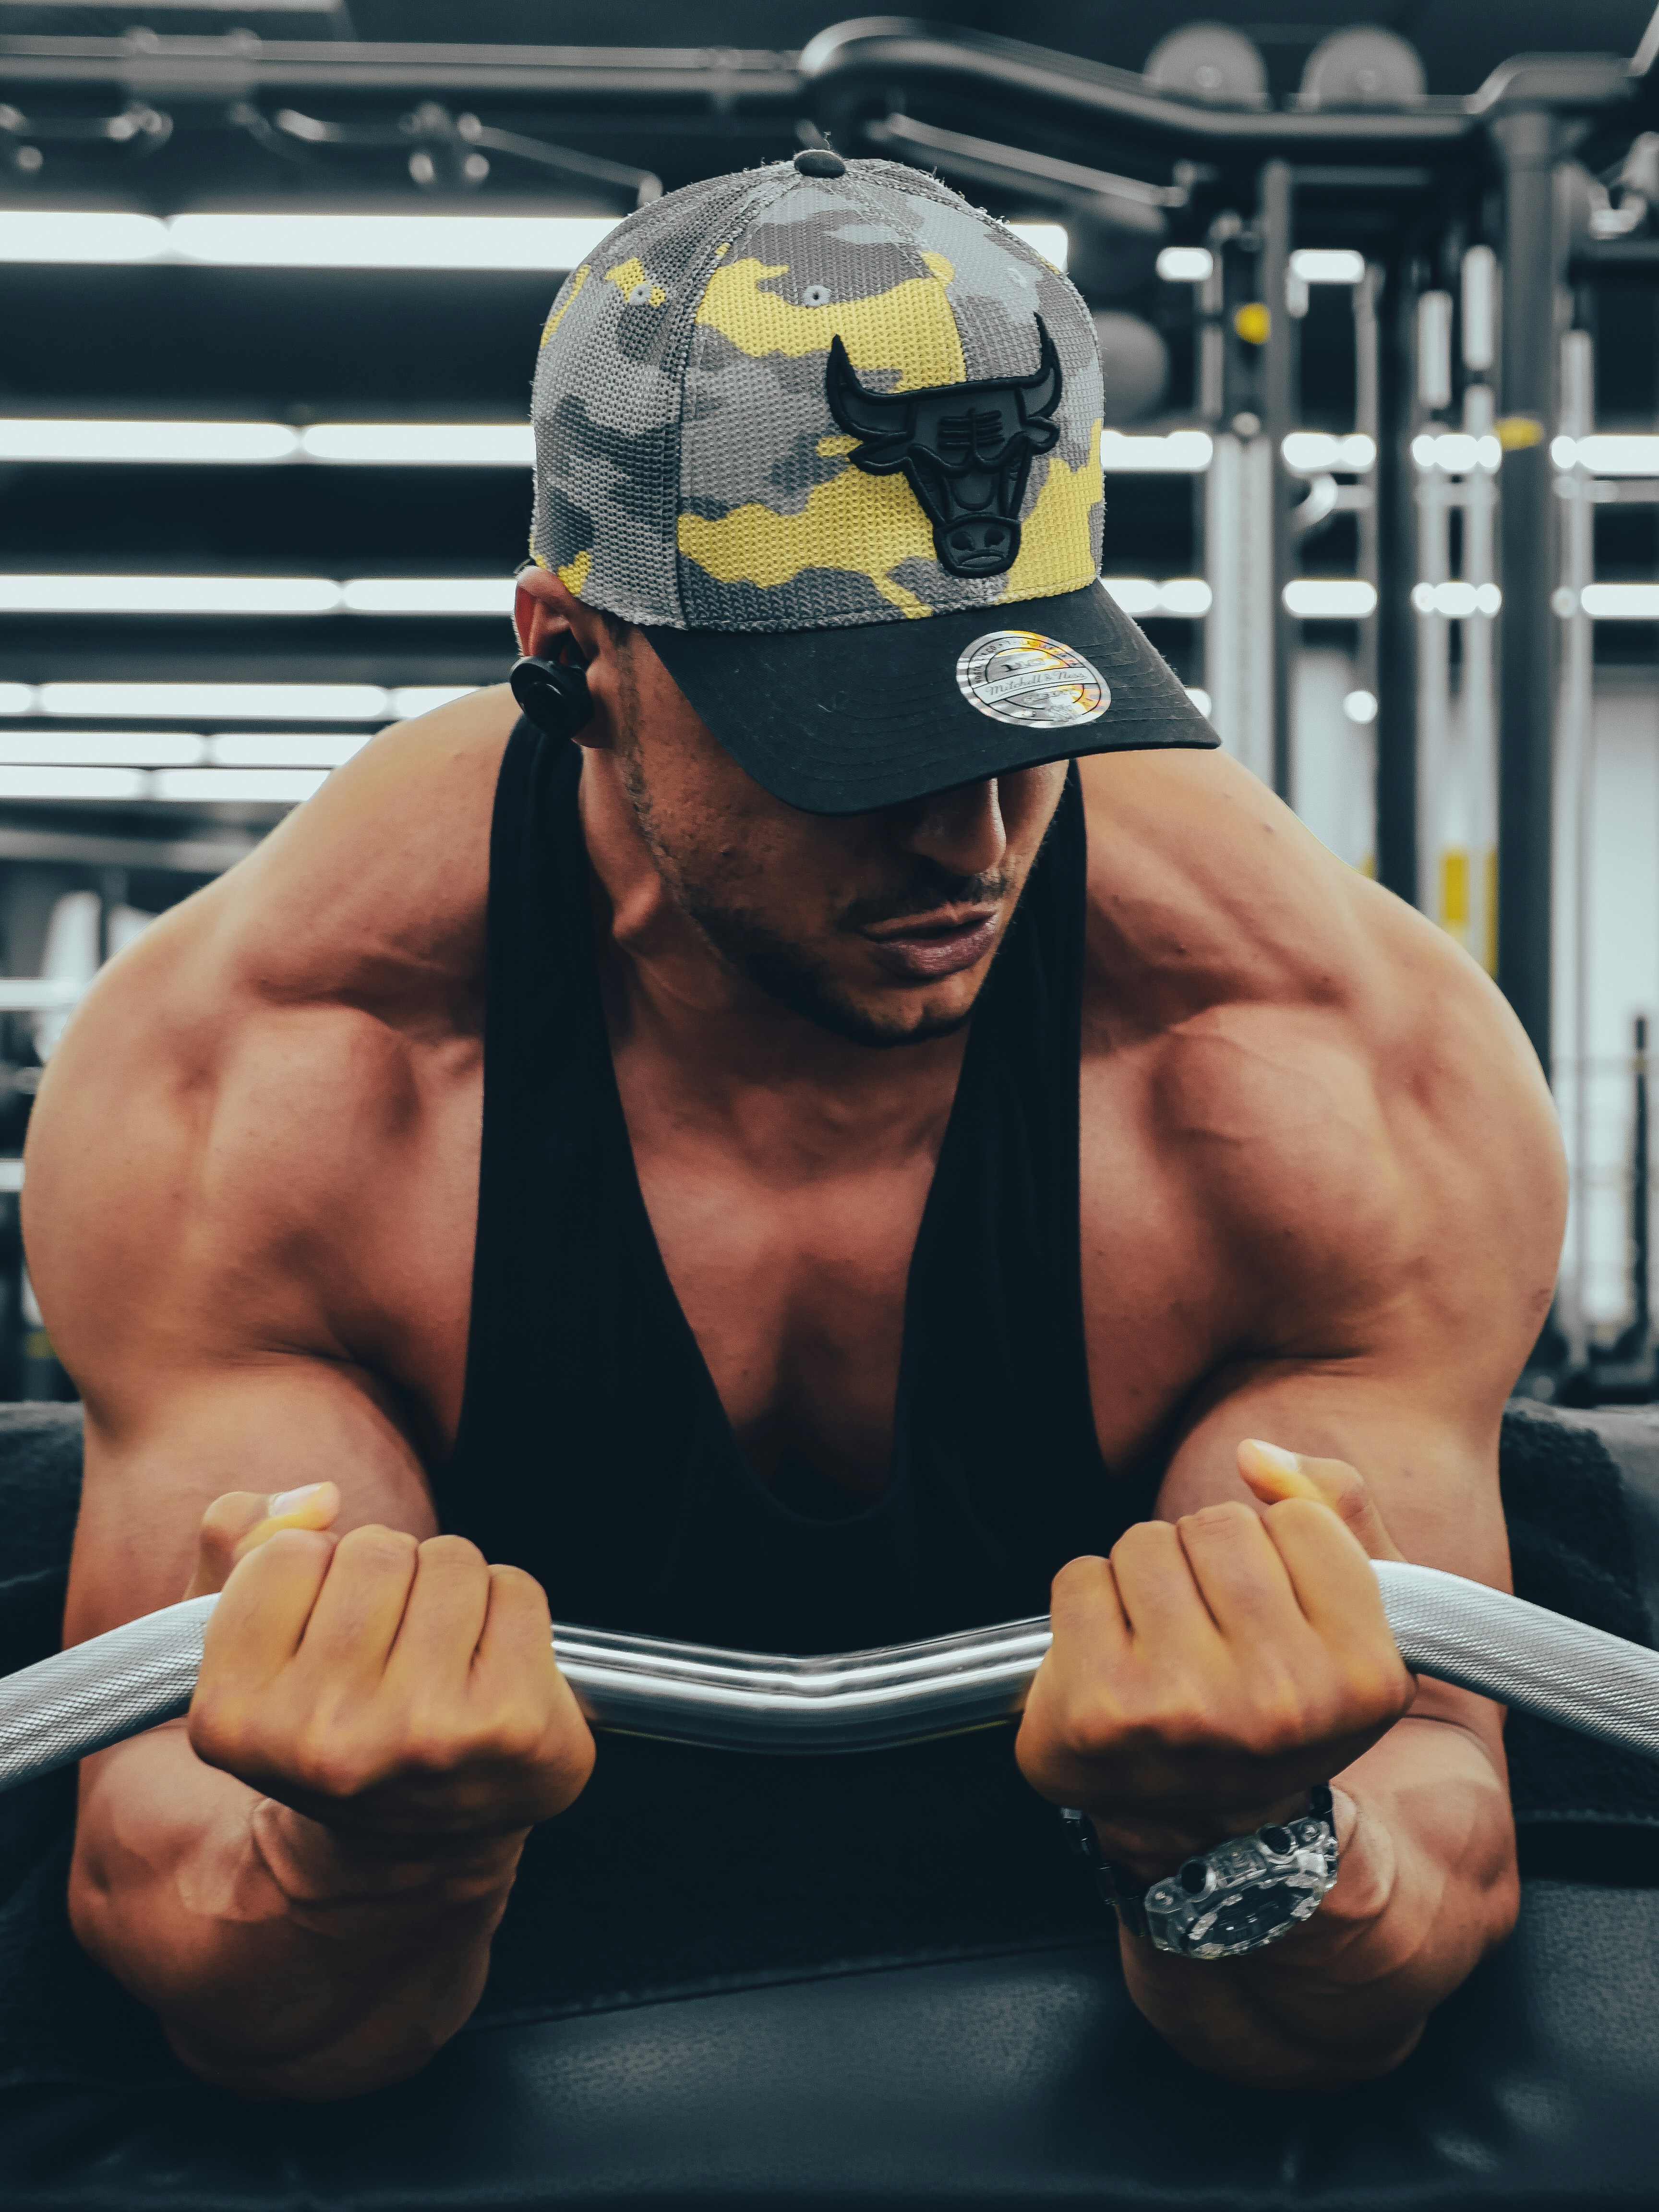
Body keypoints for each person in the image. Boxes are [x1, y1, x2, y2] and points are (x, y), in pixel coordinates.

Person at [25, 152, 1562, 2103]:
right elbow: (212, 1948)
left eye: (1021, 707)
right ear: (571, 652)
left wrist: (1251, 1846)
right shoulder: (262, 1080)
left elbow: (1406, 1899)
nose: (974, 838)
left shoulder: (1322, 1066)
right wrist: (369, 1866)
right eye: (854, 743)